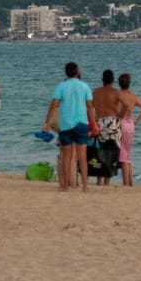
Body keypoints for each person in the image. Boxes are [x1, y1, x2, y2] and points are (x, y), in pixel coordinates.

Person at [44, 62, 93, 192]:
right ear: (77, 72)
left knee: (67, 156)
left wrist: (47, 122)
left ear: (66, 73)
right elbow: (89, 107)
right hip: (81, 123)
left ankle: (65, 185)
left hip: (66, 125)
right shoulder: (84, 86)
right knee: (82, 156)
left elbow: (53, 104)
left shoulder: (62, 86)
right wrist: (93, 123)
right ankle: (85, 187)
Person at [90, 70, 123, 187]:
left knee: (99, 152)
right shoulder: (116, 92)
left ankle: (99, 181)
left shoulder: (95, 92)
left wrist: (93, 123)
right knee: (112, 152)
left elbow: (89, 108)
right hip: (112, 123)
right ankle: (107, 182)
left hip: (99, 123)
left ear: (102, 79)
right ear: (113, 80)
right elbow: (122, 109)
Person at [115, 73, 141, 187]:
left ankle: (126, 183)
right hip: (131, 124)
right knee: (128, 154)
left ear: (119, 83)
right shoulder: (133, 96)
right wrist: (136, 121)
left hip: (122, 123)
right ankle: (131, 183)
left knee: (123, 155)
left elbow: (118, 113)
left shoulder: (118, 95)